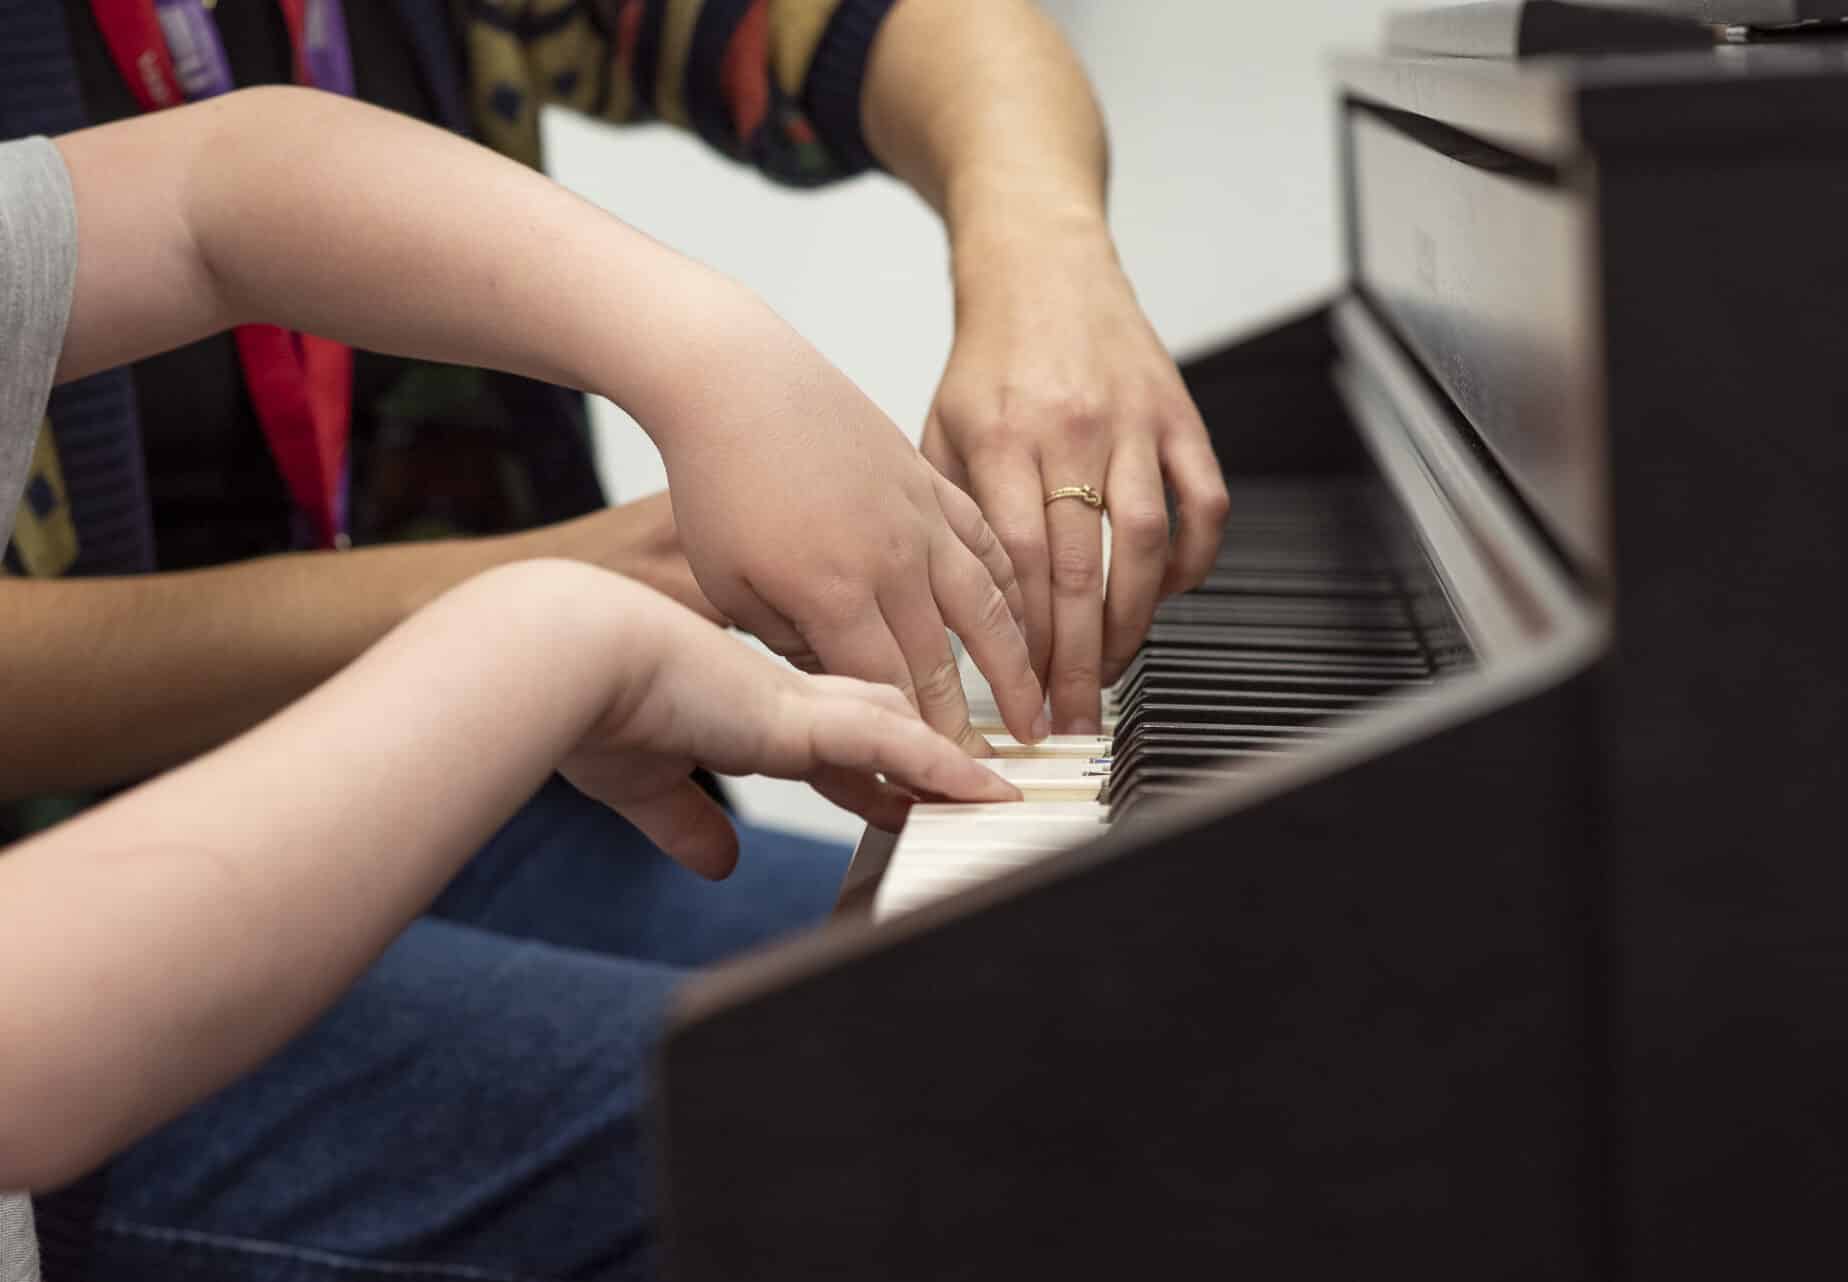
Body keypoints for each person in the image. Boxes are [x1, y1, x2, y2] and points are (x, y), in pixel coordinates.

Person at [3, 0, 1229, 1276]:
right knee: (958, 1114)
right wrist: (544, 624)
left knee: (1118, 996)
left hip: (468, 800)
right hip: (99, 958)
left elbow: (217, 185)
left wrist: (1030, 264)